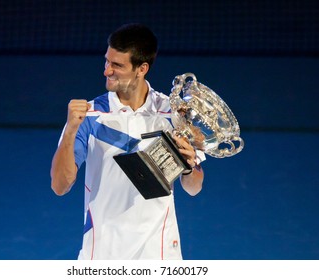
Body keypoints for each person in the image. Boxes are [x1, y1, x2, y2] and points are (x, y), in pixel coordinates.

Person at [50, 23, 205, 260]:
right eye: (107, 61)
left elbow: (194, 188)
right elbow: (59, 186)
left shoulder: (173, 115)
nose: (106, 71)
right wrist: (71, 130)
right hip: (103, 253)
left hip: (160, 252)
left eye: (117, 65)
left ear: (141, 69)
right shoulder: (89, 117)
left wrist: (189, 167)